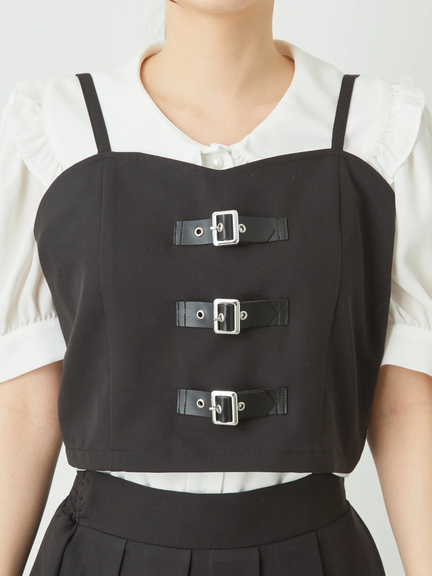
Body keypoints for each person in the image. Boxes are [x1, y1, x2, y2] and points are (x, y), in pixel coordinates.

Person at [1, 1, 431, 575]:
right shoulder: (56, 130)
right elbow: (24, 402)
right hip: (107, 556)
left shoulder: (379, 130)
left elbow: (403, 403)